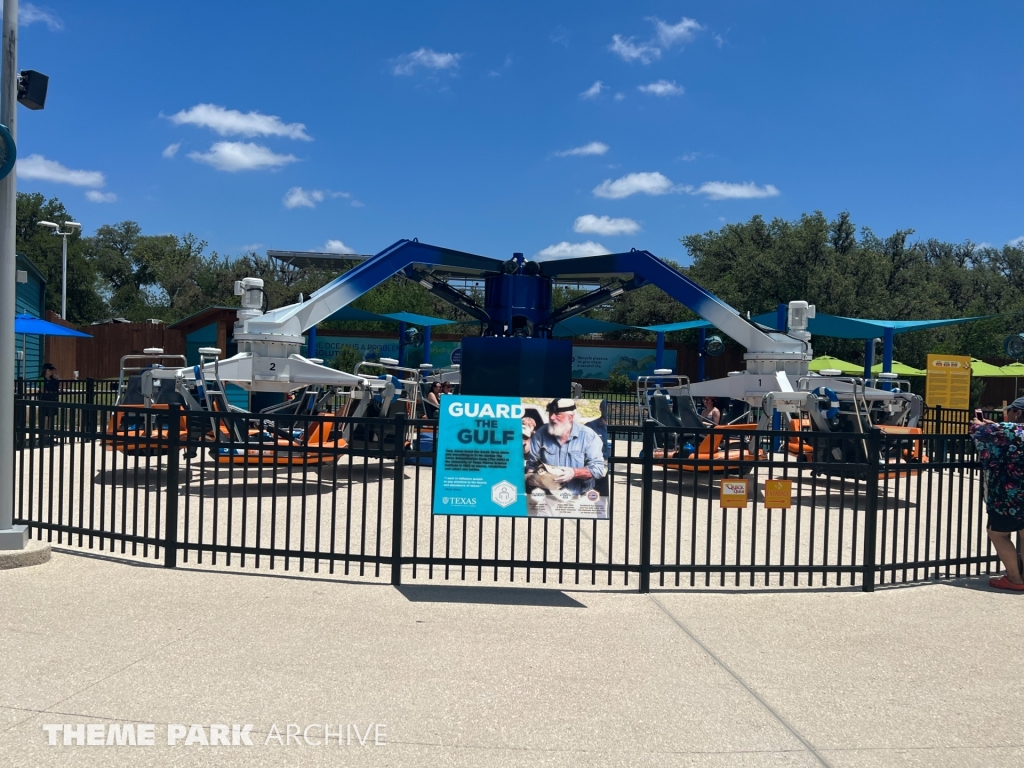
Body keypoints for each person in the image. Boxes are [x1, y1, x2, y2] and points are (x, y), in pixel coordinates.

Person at [970, 397, 1024, 591]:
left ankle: (1014, 579)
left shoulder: (1006, 431)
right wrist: (997, 426)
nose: (1007, 414)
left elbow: (978, 431)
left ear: (1017, 413)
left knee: (998, 533)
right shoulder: (1007, 430)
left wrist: (978, 424)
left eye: (1009, 410)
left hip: (1007, 495)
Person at [526, 398, 606, 495]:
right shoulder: (541, 434)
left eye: (557, 414)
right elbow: (532, 464)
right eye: (550, 413)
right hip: (547, 499)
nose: (551, 417)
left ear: (570, 417)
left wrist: (574, 473)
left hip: (578, 499)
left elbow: (598, 469)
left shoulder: (588, 436)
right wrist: (531, 477)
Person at [40, 363, 60, 443]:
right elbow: (42, 390)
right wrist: (49, 393)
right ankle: (45, 436)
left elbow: (60, 388)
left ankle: (50, 436)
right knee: (46, 418)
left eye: (52, 370)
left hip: (53, 400)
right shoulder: (41, 379)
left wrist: (58, 379)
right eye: (50, 370)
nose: (51, 372)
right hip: (45, 400)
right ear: (46, 370)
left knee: (51, 417)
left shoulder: (54, 380)